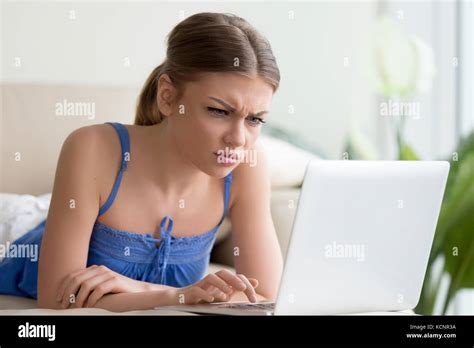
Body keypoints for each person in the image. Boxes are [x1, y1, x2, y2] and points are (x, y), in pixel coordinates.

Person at [0, 12, 283, 312]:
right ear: (168, 96)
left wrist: (151, 290)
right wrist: (178, 295)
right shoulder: (91, 148)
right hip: (14, 225)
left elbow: (267, 294)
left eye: (254, 119)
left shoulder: (247, 165)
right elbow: (57, 299)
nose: (238, 139)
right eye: (218, 111)